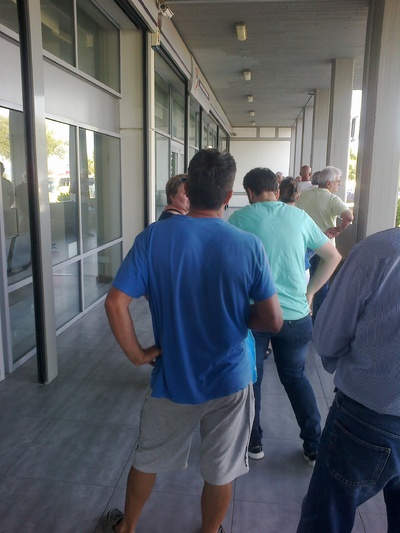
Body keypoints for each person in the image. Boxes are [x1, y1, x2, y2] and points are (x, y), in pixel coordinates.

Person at [103, 149, 283, 533]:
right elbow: (273, 320)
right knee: (222, 469)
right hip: (230, 378)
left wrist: (138, 355)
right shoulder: (247, 245)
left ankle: (127, 527)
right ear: (228, 195)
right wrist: (240, 318)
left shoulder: (154, 238)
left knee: (148, 457)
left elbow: (115, 302)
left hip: (173, 377)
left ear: (188, 188)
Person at [228, 168, 341, 465]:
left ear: (249, 193)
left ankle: (254, 443)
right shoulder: (300, 217)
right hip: (295, 316)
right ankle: (314, 446)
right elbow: (333, 256)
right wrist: (310, 293)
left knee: (252, 379)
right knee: (295, 377)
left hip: (255, 315)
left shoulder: (239, 219)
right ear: (277, 192)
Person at [297, 228, 400, 533]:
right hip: (374, 416)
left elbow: (328, 338)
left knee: (326, 519)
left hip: (369, 418)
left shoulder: (379, 251)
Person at [296, 166, 354, 322]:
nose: (339, 185)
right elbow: (349, 217)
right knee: (321, 285)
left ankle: (302, 315)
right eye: (337, 182)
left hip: (305, 245)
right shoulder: (332, 199)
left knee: (304, 282)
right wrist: (338, 229)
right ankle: (319, 321)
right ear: (328, 183)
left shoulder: (304, 195)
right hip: (325, 248)